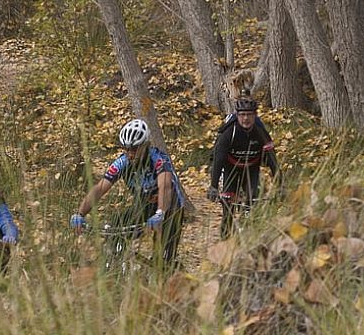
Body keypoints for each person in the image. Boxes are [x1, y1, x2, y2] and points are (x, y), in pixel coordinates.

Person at [70, 118, 185, 269]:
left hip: (170, 208)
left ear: (145, 145)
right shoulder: (122, 163)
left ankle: (165, 273)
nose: (130, 154)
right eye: (127, 149)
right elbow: (100, 188)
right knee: (116, 225)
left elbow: (165, 187)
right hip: (144, 206)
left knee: (162, 259)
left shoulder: (159, 159)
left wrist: (160, 213)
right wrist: (80, 214)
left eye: (135, 149)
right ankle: (115, 266)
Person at [207, 97, 280, 238]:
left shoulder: (260, 132)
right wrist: (213, 186)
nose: (246, 118)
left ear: (255, 116)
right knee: (228, 210)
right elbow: (218, 160)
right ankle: (226, 244)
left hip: (252, 169)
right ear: (237, 115)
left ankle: (250, 237)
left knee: (253, 203)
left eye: (249, 115)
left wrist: (280, 184)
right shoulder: (229, 132)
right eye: (242, 115)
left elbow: (272, 161)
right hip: (230, 169)